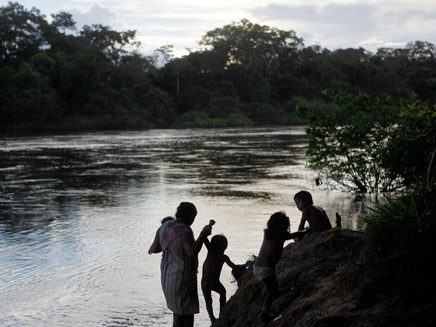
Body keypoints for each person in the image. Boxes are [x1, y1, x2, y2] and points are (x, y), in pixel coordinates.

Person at [148, 202, 212, 327]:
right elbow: (191, 253)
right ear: (191, 217)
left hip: (167, 279)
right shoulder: (185, 231)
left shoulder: (164, 226)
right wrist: (203, 235)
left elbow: (155, 249)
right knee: (187, 317)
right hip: (182, 279)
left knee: (177, 315)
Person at [254, 211, 306, 321]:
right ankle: (264, 314)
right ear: (284, 225)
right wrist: (305, 231)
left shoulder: (267, 234)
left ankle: (277, 293)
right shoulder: (281, 235)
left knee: (272, 286)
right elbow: (295, 235)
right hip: (266, 269)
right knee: (271, 291)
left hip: (257, 267)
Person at [201, 234, 236, 323]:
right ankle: (221, 313)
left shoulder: (210, 251)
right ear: (225, 247)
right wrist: (245, 266)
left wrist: (208, 229)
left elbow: (204, 238)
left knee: (208, 301)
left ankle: (212, 318)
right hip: (214, 282)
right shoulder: (224, 257)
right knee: (223, 292)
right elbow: (233, 266)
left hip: (204, 282)